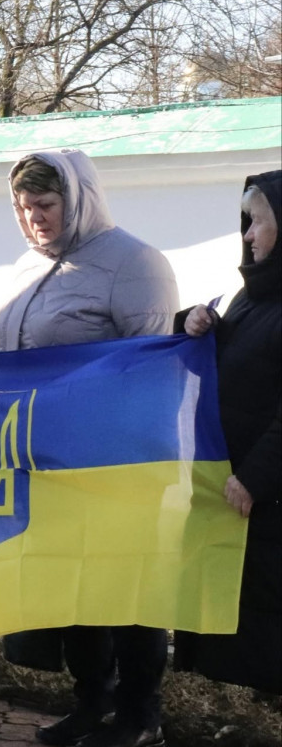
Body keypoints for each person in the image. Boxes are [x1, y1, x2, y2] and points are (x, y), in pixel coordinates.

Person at [0, 149, 178, 747]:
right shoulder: (26, 267)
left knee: (125, 591)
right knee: (71, 592)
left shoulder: (135, 263)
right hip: (41, 465)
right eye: (23, 208)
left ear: (79, 198)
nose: (33, 219)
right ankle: (89, 702)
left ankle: (139, 713)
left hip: (114, 465)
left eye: (45, 205)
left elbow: (148, 371)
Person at [174, 169, 280, 696]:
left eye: (257, 222)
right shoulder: (251, 295)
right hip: (234, 487)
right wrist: (196, 326)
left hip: (264, 500)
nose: (247, 234)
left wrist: (257, 478)